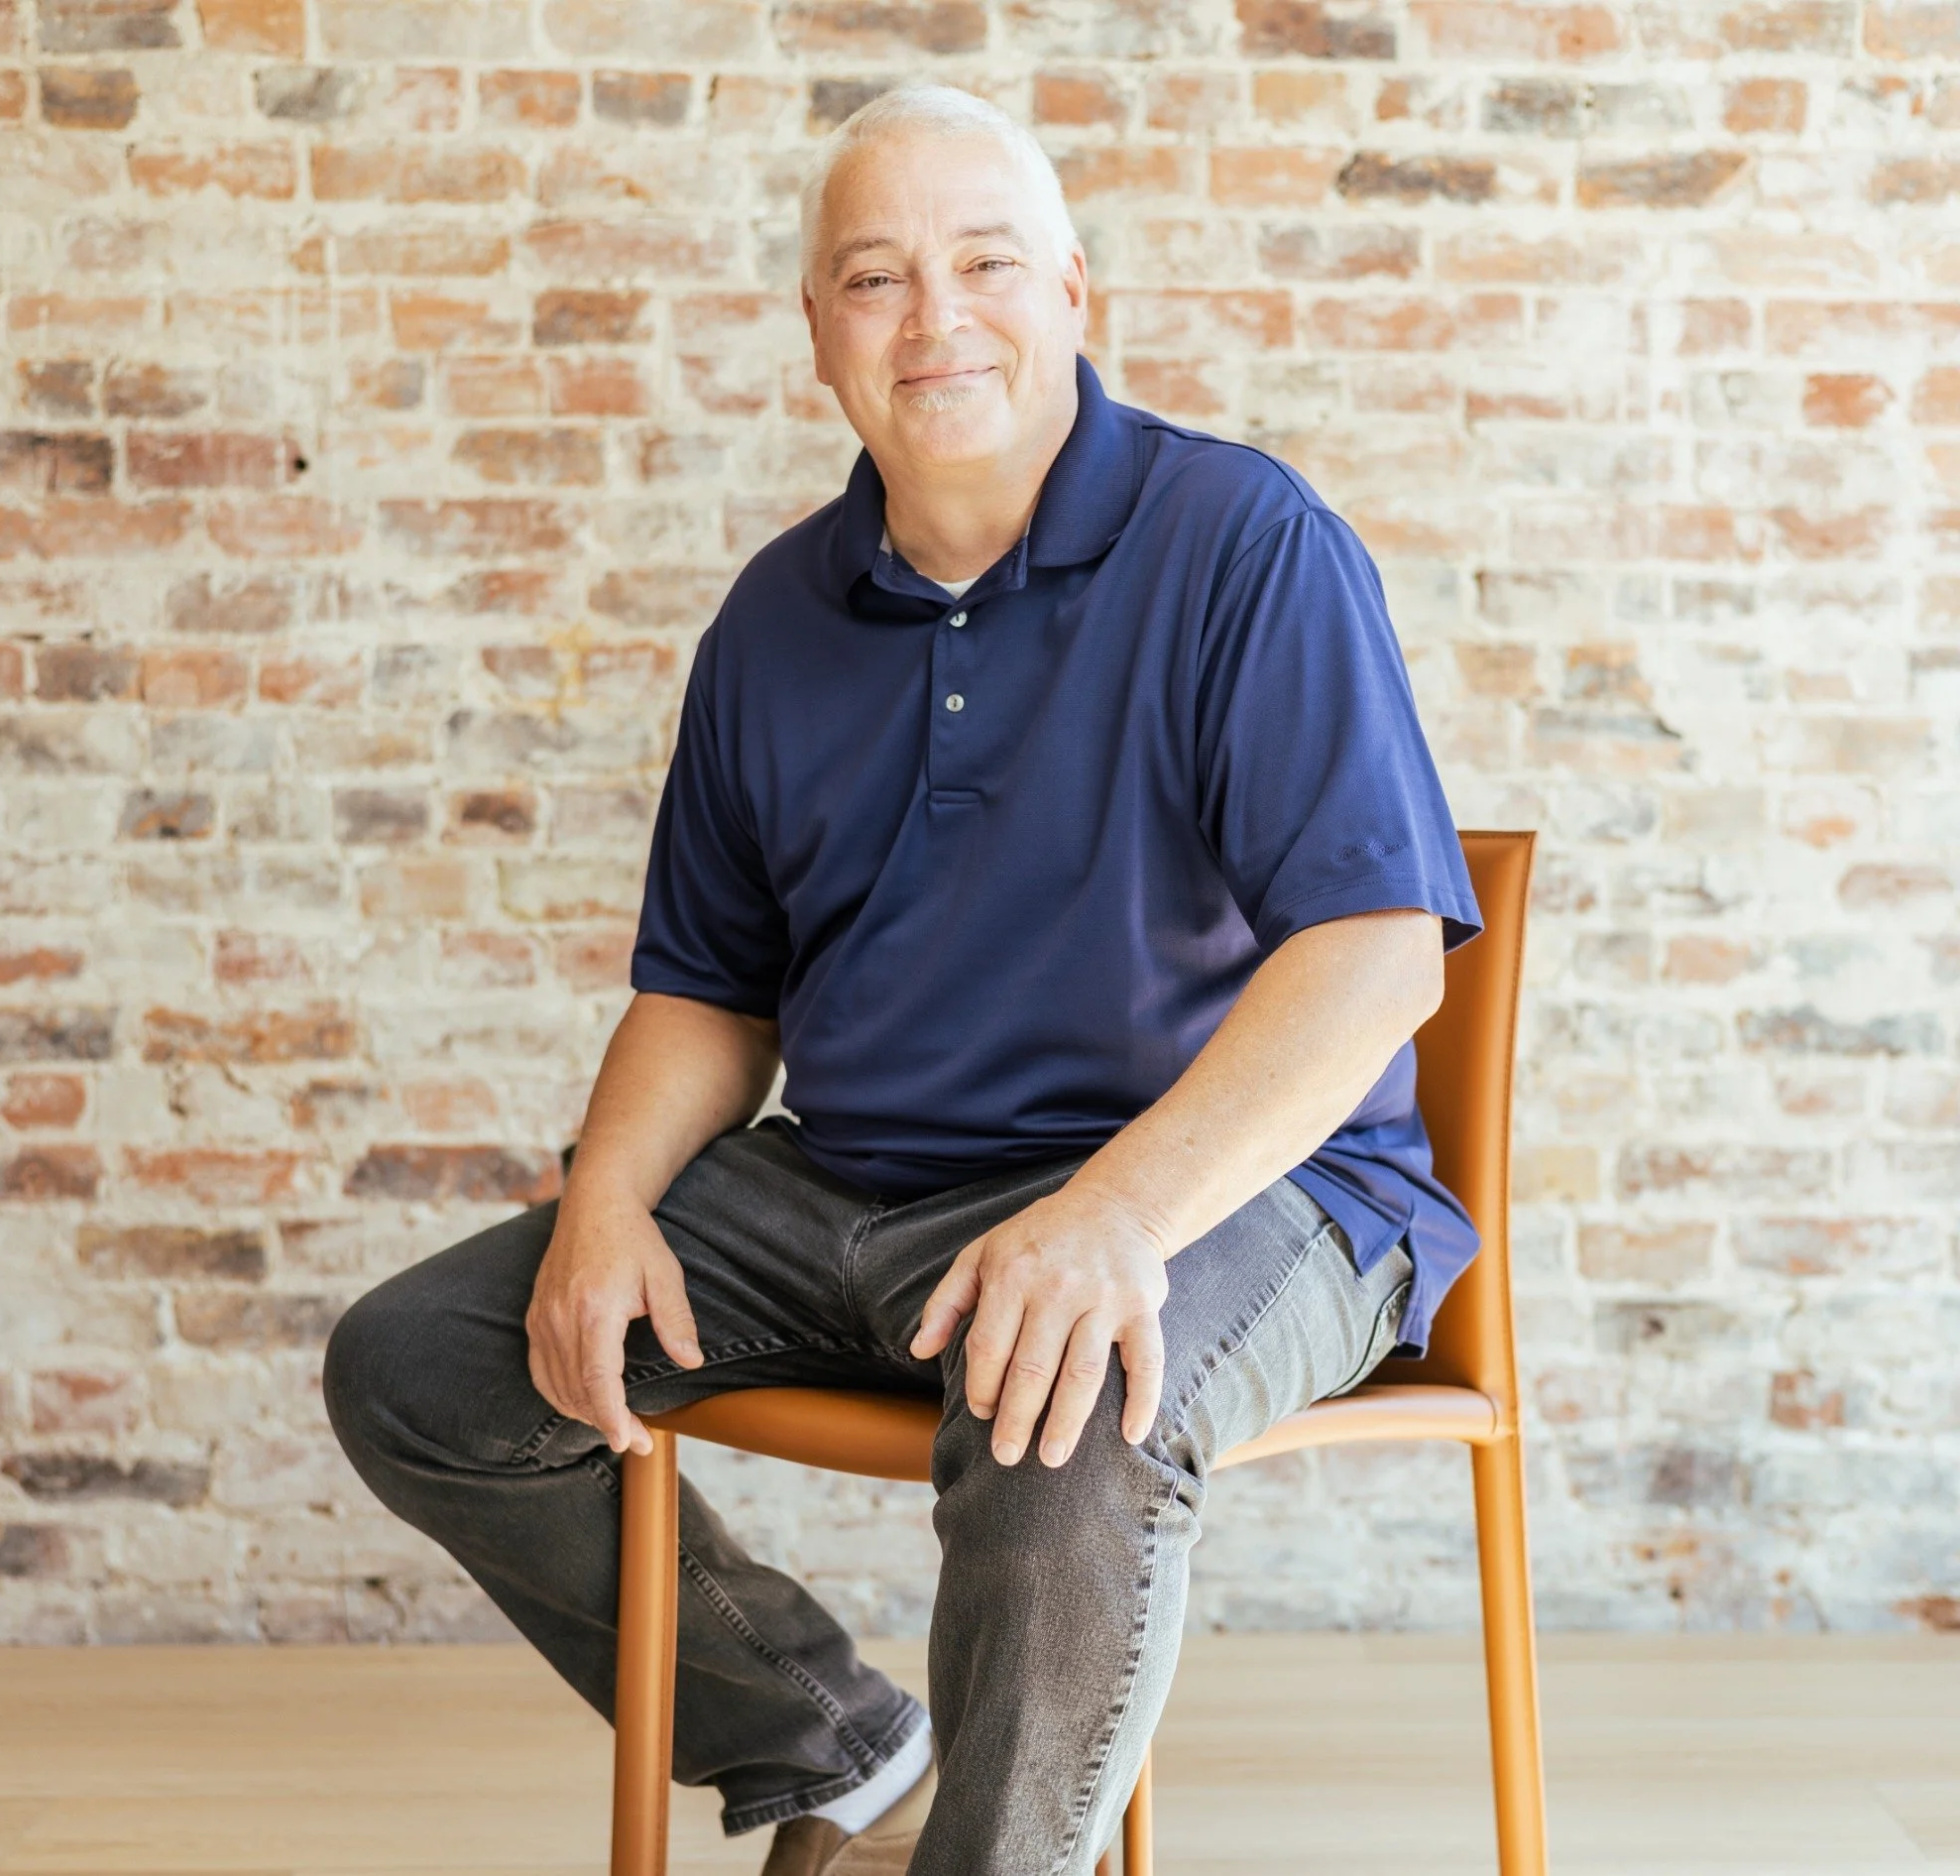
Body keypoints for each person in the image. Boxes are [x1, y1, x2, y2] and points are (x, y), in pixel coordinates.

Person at [324, 82, 1482, 1876]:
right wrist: (607, 1196)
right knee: (429, 1362)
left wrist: (1114, 1218)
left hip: (1234, 1190)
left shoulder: (1244, 546)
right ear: (817, 338)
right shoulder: (773, 622)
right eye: (875, 278)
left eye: (984, 263)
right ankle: (833, 1744)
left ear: (1075, 292)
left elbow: (1376, 954)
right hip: (857, 1191)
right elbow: (712, 992)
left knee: (1073, 1396)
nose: (935, 316)